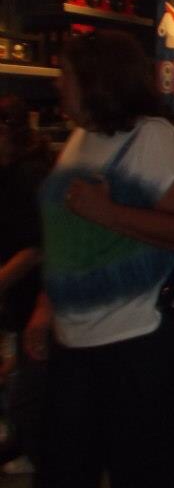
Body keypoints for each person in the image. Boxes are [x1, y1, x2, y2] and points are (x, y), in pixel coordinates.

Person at [24, 30, 174, 488]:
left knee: (143, 468)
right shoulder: (80, 137)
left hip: (139, 338)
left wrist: (108, 213)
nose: (57, 83)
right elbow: (66, 237)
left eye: (65, 74)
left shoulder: (151, 138)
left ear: (97, 79)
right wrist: (45, 306)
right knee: (63, 466)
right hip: (74, 338)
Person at [0, 95, 51, 473]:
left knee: (31, 390)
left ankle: (38, 453)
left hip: (40, 300)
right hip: (27, 300)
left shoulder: (27, 176)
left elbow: (35, 248)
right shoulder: (15, 173)